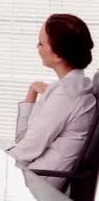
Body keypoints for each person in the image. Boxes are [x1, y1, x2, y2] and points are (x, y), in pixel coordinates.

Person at [8, 14, 97, 188]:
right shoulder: (72, 86)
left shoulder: (65, 95)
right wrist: (32, 91)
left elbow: (29, 148)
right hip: (33, 173)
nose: (37, 47)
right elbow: (23, 139)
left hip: (36, 182)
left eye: (41, 43)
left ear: (57, 55)